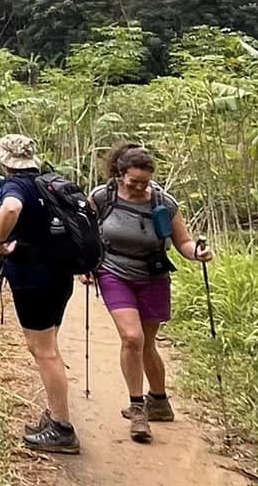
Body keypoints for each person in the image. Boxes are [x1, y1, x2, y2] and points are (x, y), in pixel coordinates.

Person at [89, 142, 213, 444]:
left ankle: (159, 401)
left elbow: (183, 242)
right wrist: (84, 264)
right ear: (120, 175)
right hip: (114, 271)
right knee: (132, 338)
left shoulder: (163, 201)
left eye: (146, 182)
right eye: (134, 182)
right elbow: (88, 235)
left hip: (154, 274)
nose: (141, 187)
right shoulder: (102, 198)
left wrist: (197, 254)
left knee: (147, 343)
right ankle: (137, 408)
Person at [0, 133, 81, 455]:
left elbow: (11, 208)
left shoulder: (17, 186)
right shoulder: (47, 182)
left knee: (43, 351)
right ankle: (57, 415)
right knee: (48, 345)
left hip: (33, 276)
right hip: (60, 275)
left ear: (5, 162)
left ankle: (62, 428)